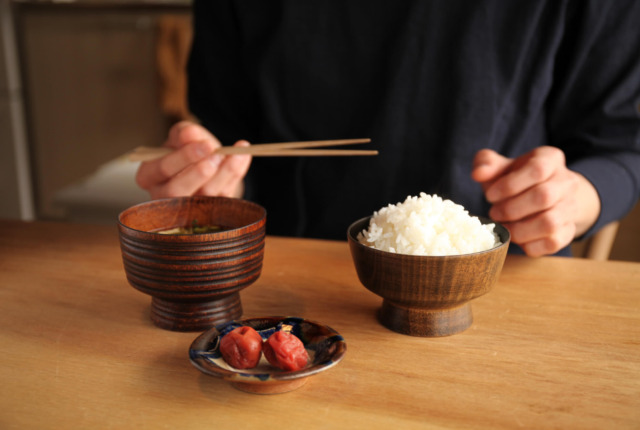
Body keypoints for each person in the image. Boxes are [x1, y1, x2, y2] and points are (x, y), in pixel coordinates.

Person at [136, 0, 640, 257]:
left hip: (501, 276)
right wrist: (210, 176)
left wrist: (578, 196)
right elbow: (228, 130)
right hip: (290, 281)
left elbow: (622, 142)